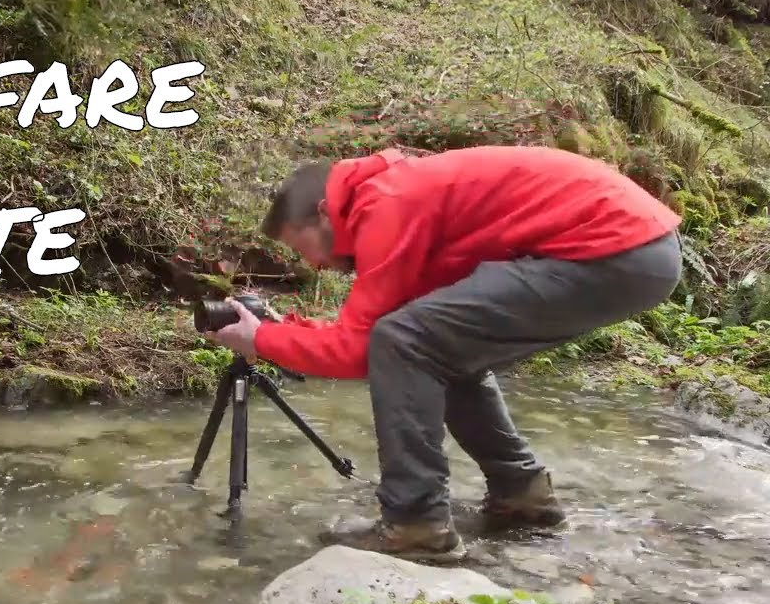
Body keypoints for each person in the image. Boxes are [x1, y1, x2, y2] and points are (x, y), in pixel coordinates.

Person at [204, 144, 683, 563]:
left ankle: (416, 522)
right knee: (437, 345)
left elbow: (361, 350)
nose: (312, 264)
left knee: (404, 341)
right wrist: (283, 329)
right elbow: (374, 326)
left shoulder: (389, 204)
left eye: (301, 245)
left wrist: (260, 340)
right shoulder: (396, 193)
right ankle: (522, 496)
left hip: (611, 248)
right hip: (636, 250)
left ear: (326, 212)